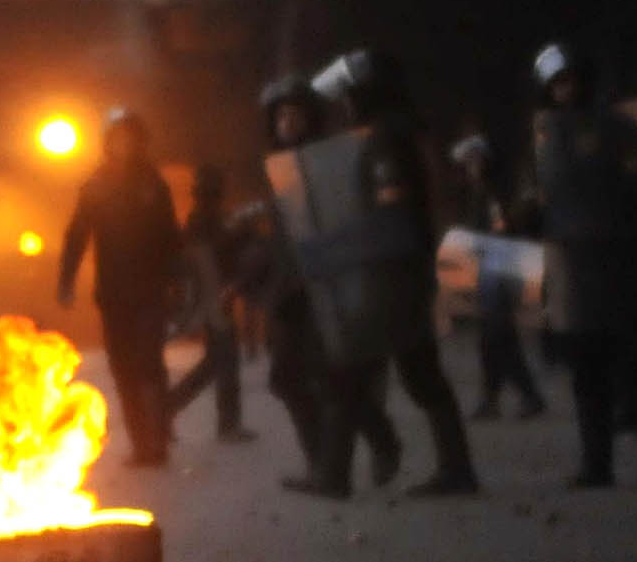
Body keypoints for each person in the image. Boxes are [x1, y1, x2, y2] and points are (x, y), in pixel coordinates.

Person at [292, 50, 478, 497]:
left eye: (351, 97)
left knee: (361, 373)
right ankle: (454, 469)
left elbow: (387, 215)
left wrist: (330, 249)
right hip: (401, 270)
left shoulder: (386, 141)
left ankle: (336, 476)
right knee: (408, 373)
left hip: (391, 276)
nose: (346, 105)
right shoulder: (400, 132)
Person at [529, 43, 637, 487]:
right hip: (573, 265)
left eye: (569, 80)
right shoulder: (544, 138)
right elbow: (541, 198)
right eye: (556, 83)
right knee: (587, 370)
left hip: (621, 259)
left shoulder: (621, 129)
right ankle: (597, 463)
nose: (564, 90)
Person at [245, 74, 398, 490]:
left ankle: (344, 464)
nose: (288, 122)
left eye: (295, 114)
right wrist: (257, 271)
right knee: (286, 377)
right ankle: (323, 462)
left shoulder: (332, 161)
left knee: (334, 378)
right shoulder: (277, 166)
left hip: (329, 285)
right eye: (281, 115)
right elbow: (280, 232)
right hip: (290, 288)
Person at [56, 109, 183, 467]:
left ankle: (157, 442)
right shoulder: (95, 187)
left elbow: (171, 238)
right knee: (123, 369)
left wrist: (177, 282)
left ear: (139, 142)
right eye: (117, 138)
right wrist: (66, 280)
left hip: (150, 291)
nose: (124, 144)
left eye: (130, 137)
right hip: (113, 294)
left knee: (148, 364)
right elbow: (76, 236)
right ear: (108, 143)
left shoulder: (153, 185)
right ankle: (142, 444)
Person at [444, 132, 548, 422]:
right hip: (489, 268)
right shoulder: (480, 192)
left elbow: (503, 227)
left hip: (500, 267)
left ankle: (525, 396)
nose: (469, 167)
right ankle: (494, 399)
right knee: (492, 339)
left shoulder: (495, 191)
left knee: (498, 336)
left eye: (472, 161)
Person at [160, 162, 256, 445]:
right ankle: (223, 423)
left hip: (215, 295)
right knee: (223, 360)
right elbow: (208, 257)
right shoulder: (204, 219)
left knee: (218, 361)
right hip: (214, 297)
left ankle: (167, 409)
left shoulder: (207, 218)